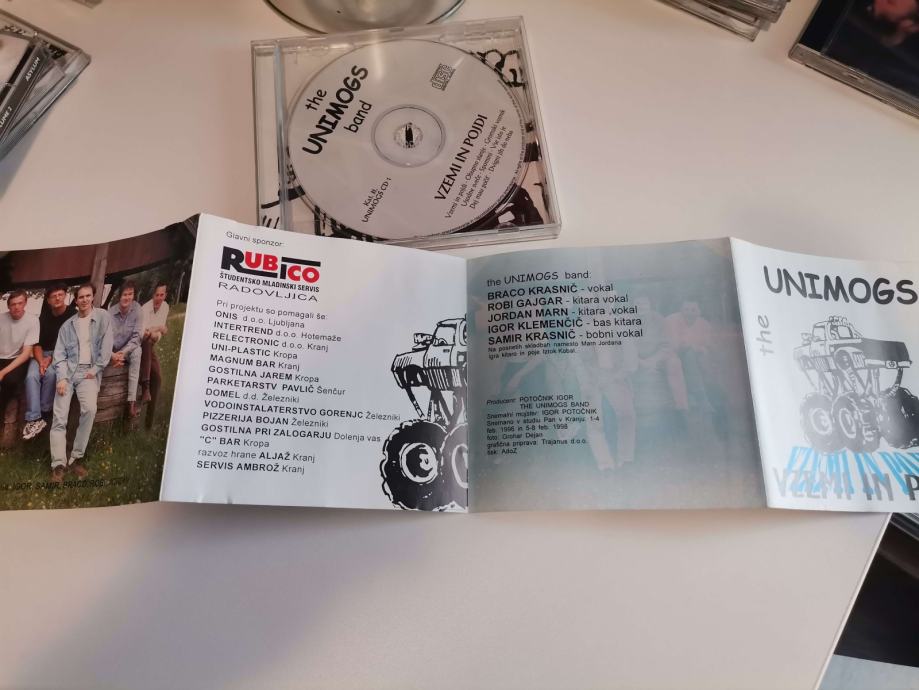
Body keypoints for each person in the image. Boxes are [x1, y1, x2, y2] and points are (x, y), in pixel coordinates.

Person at [49, 283, 112, 482]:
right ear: (75, 301)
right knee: (59, 417)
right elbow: (59, 356)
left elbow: (106, 349)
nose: (84, 300)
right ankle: (58, 464)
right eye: (81, 297)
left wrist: (95, 370)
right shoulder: (67, 326)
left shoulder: (103, 318)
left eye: (88, 296)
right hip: (68, 372)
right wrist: (61, 378)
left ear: (93, 297)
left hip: (89, 372)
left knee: (90, 409)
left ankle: (76, 458)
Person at [22, 283, 75, 440]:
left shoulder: (72, 315)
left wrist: (50, 359)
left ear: (65, 295)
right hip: (41, 354)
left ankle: (45, 413)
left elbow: (69, 345)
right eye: (53, 296)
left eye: (60, 294)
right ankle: (34, 418)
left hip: (62, 354)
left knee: (51, 374)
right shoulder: (43, 317)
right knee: (32, 376)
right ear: (48, 300)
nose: (57, 298)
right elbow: (37, 344)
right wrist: (41, 362)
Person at [0, 290, 40, 426]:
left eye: (20, 303)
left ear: (25, 303)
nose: (16, 307)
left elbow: (26, 354)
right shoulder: (1, 319)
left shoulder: (32, 321)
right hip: (1, 357)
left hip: (17, 358)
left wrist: (2, 372)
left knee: (9, 381)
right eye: (13, 304)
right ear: (8, 306)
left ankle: (3, 417)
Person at [107, 281, 142, 418]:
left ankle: (131, 401)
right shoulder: (110, 313)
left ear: (133, 295)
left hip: (127, 350)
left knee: (138, 351)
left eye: (130, 294)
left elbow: (137, 337)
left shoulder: (137, 310)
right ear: (119, 296)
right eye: (124, 294)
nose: (127, 297)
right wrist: (113, 355)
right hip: (112, 351)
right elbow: (105, 339)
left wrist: (124, 352)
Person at [138, 282, 169, 405]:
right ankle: (145, 388)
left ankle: (149, 416)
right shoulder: (145, 309)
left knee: (158, 378)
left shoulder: (165, 307)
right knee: (147, 342)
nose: (159, 298)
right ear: (153, 295)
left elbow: (157, 335)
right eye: (157, 295)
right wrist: (159, 328)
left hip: (150, 345)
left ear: (165, 295)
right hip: (139, 344)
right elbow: (143, 334)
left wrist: (154, 331)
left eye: (162, 295)